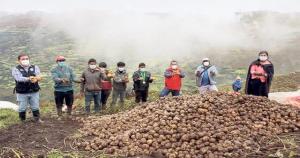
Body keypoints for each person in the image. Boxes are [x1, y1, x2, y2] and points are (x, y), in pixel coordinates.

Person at [12, 54, 42, 122]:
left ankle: (37, 119)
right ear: (19, 60)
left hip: (34, 91)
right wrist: (29, 78)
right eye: (23, 59)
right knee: (22, 107)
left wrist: (37, 78)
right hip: (22, 92)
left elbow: (39, 75)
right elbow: (18, 78)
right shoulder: (15, 69)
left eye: (26, 58)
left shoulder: (35, 67)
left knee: (35, 106)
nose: (25, 60)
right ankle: (22, 120)